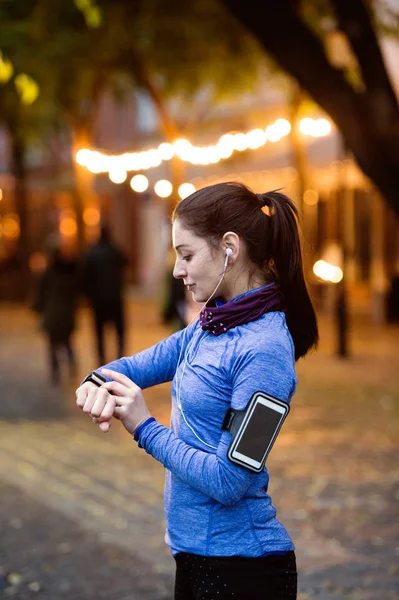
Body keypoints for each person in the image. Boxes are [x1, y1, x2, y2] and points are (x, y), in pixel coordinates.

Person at [76, 182, 319, 600]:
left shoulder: (265, 351)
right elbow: (132, 366)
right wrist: (94, 384)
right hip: (194, 557)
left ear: (229, 247)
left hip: (244, 572)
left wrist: (143, 426)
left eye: (186, 254)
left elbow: (230, 481)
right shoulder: (208, 328)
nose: (176, 270)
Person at [33, 243, 80, 384]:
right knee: (67, 342)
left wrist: (38, 309)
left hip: (53, 314)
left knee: (53, 344)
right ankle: (71, 366)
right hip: (66, 314)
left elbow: (40, 294)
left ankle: (56, 372)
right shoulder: (70, 273)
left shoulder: (48, 273)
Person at [82, 225, 128, 364]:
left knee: (99, 332)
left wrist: (87, 296)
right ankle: (120, 357)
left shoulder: (92, 252)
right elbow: (126, 262)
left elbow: (85, 276)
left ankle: (101, 360)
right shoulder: (114, 250)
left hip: (98, 299)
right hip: (115, 297)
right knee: (119, 331)